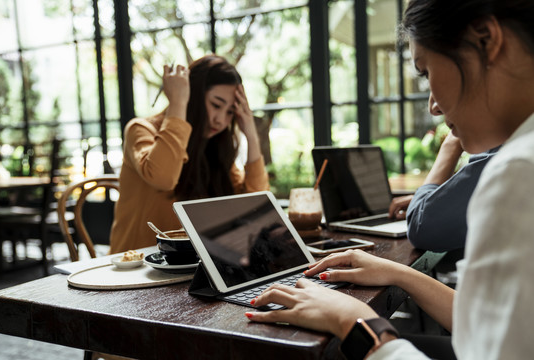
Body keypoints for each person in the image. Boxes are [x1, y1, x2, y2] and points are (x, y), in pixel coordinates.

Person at [246, 1, 534, 359]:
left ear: (486, 40)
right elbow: (501, 328)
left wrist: (355, 322)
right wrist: (400, 274)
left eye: (426, 71)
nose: (433, 106)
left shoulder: (518, 172)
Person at [110, 55, 269, 254]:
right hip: (138, 268)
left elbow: (256, 208)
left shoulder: (212, 148)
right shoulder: (141, 130)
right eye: (216, 105)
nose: (220, 120)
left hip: (194, 267)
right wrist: (178, 103)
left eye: (230, 112)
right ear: (190, 95)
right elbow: (164, 178)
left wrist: (251, 135)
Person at [388, 132, 499, 252]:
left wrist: (451, 144)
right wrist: (433, 200)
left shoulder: (500, 157)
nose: (434, 112)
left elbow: (421, 228)